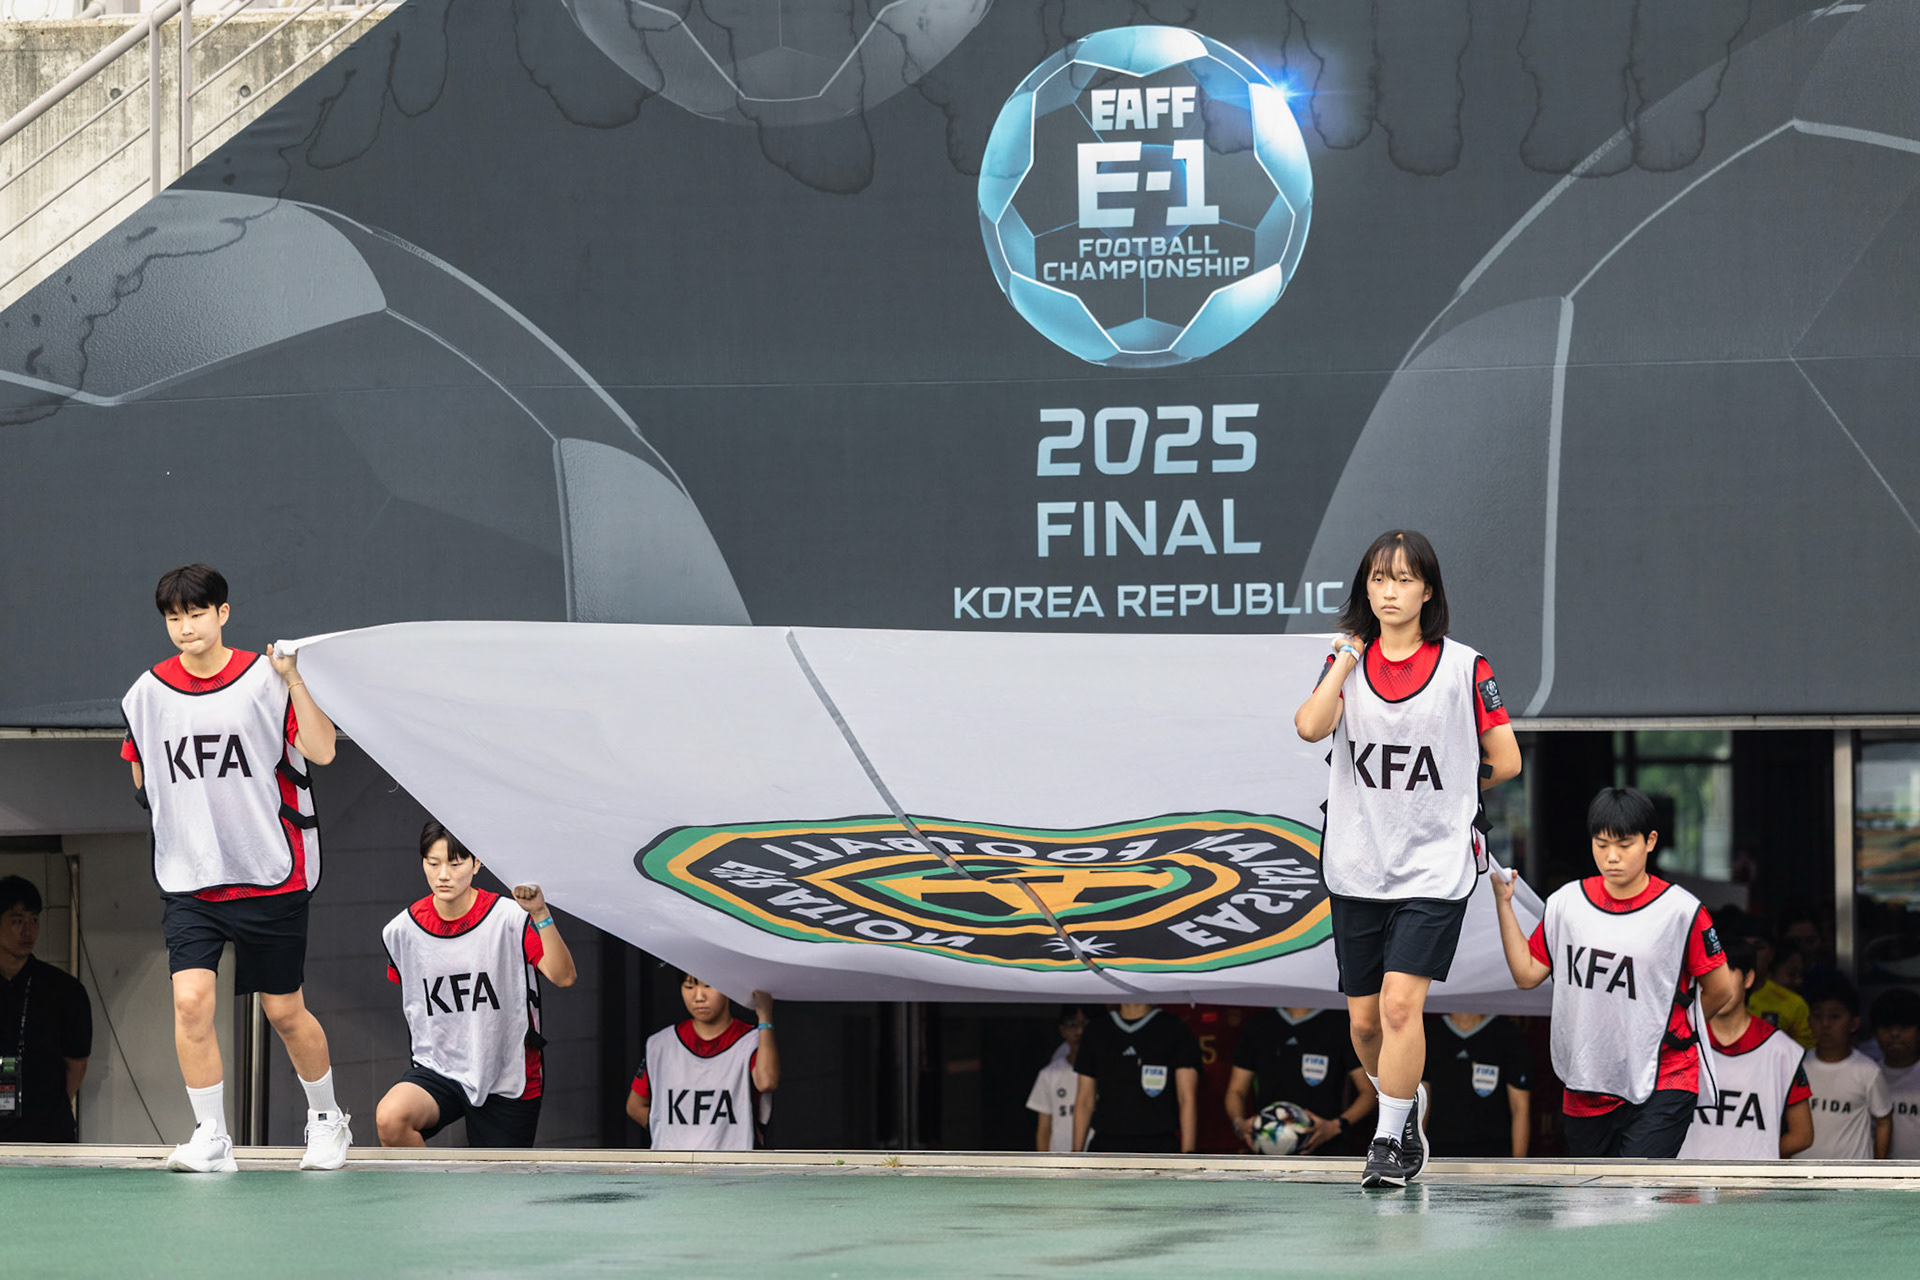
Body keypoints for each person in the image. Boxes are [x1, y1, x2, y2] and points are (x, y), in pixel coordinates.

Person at [1293, 529, 1522, 1186]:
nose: (1389, 592)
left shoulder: (1465, 666)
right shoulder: (1345, 661)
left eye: (1403, 579)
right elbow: (1310, 727)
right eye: (1378, 579)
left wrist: (1452, 783)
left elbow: (1504, 760)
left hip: (1432, 864)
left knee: (1400, 1007)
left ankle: (1390, 1139)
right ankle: (1404, 1100)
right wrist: (1342, 659)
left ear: (1427, 590)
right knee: (1365, 1021)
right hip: (1357, 863)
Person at [119, 564, 349, 1173]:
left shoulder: (265, 680)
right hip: (190, 880)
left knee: (283, 1011)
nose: (185, 626)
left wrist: (296, 679)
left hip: (269, 870)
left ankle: (327, 1121)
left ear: (223, 613)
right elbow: (139, 766)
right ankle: (212, 1136)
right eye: (173, 617)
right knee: (191, 1003)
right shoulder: (145, 692)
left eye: (196, 613)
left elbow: (322, 750)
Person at [1494, 787, 1745, 1158]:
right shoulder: (1566, 903)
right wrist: (1504, 904)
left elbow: (1721, 989)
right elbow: (1527, 974)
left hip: (1665, 1075)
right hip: (1587, 1081)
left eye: (1624, 845)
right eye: (1601, 844)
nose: (1612, 857)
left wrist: (1666, 1031)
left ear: (1650, 841)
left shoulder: (1681, 911)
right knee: (1593, 1205)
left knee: (1637, 1192)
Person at [374, 822, 576, 1148]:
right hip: (440, 1068)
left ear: (476, 863)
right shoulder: (400, 932)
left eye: (455, 864)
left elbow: (564, 976)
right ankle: (428, 1198)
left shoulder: (509, 917)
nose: (443, 874)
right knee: (392, 1118)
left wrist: (540, 913)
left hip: (507, 1073)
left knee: (498, 1192)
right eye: (433, 862)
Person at [1676, 938, 1813, 1159]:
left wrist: (1759, 1158)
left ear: (1748, 978)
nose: (1715, 983)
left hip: (1753, 1189)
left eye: (1725, 972)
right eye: (1706, 973)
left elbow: (1803, 1135)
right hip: (1686, 1188)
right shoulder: (1679, 1040)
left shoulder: (1783, 1050)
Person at [628, 975, 778, 1150]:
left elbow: (767, 1081)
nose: (699, 997)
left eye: (709, 986)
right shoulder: (661, 1043)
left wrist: (765, 1017)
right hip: (674, 1170)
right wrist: (670, 1134)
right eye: (689, 987)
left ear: (728, 990)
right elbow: (635, 1106)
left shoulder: (750, 1041)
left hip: (732, 1169)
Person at [0, 877, 91, 1142]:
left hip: (46, 1128)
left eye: (34, 919)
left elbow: (77, 1064)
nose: (28, 931)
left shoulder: (63, 989)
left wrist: (49, 1107)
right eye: (17, 920)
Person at [1224, 1006, 1375, 1155]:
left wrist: (1335, 1126)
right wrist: (1240, 1123)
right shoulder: (1259, 1024)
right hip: (1269, 1149)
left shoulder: (1340, 1023)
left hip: (1326, 1151)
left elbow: (1369, 1092)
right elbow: (1236, 1090)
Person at [1071, 1003, 1200, 1154]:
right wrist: (1076, 1154)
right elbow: (1085, 1099)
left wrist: (1189, 1155)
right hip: (1107, 1144)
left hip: (1159, 1145)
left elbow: (1187, 1097)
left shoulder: (1174, 1028)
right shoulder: (1097, 1029)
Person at [1795, 977, 1891, 1160]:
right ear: (1809, 1021)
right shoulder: (1797, 1066)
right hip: (1801, 1177)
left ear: (1854, 1024)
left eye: (1835, 1016)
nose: (1825, 1024)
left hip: (1851, 1179)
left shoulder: (1867, 1071)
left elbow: (1883, 1122)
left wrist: (1876, 1170)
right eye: (1817, 1016)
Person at [1419, 1011, 1532, 1158]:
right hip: (1439, 1150)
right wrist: (1416, 1156)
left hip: (1494, 1153)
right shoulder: (1429, 1032)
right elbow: (1420, 1104)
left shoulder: (1506, 1033)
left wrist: (1518, 1169)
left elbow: (1520, 1107)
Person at [1026, 1005, 1091, 1153]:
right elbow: (1043, 1129)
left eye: (1085, 1024)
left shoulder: (1104, 1072)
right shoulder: (1049, 1074)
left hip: (1097, 1159)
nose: (1079, 1032)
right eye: (1072, 1025)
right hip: (1059, 1159)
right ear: (1062, 1030)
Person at [1743, 932, 1814, 1049]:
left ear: (1771, 954)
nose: (1750, 954)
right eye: (1791, 974)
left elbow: (1804, 1053)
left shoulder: (1794, 1003)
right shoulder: (1714, 996)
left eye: (1758, 947)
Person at [1872, 987, 1920, 1159]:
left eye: (1904, 1027)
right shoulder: (1868, 1075)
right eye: (1886, 1027)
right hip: (1879, 1178)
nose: (1894, 1034)